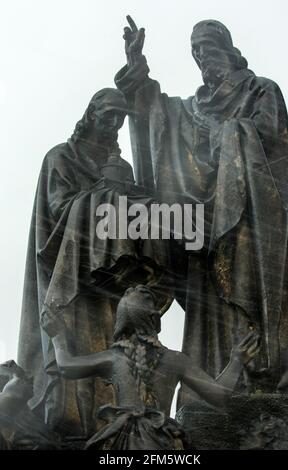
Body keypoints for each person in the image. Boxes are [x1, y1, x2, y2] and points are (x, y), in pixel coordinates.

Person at [114, 16, 288, 397]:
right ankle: (214, 385)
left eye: (207, 46)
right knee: (208, 303)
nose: (201, 55)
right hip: (202, 222)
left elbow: (272, 151)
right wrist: (137, 72)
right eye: (195, 50)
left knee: (247, 286)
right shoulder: (193, 106)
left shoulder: (260, 90)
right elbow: (158, 118)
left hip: (251, 217)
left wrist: (229, 136)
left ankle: (264, 371)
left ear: (227, 47)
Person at [18, 88, 171, 436]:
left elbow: (132, 213)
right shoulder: (61, 157)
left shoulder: (123, 166)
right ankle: (75, 425)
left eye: (120, 117)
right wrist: (105, 194)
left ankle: (117, 423)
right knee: (76, 353)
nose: (113, 123)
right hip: (72, 271)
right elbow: (58, 211)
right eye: (108, 115)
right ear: (91, 114)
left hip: (112, 279)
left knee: (113, 347)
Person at [41, 284, 260, 450]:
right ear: (155, 320)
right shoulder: (175, 359)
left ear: (121, 322)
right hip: (161, 439)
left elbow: (66, 366)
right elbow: (219, 395)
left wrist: (58, 337)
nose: (133, 290)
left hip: (119, 439)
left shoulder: (114, 357)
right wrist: (236, 362)